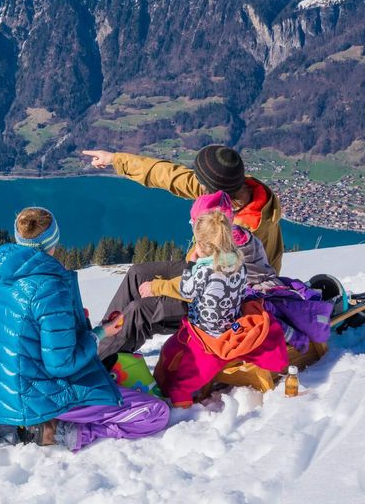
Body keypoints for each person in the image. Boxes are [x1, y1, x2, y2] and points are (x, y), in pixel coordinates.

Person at [0, 207, 169, 450]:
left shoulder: (3, 279)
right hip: (40, 398)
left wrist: (71, 323)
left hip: (5, 396)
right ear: (54, 239)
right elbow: (60, 364)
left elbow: (27, 334)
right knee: (155, 412)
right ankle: (67, 432)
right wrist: (98, 334)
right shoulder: (49, 286)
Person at [82, 145, 284, 358]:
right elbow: (169, 175)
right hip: (203, 269)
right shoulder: (227, 190)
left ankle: (96, 363)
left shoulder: (244, 231)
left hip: (227, 300)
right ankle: (99, 340)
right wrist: (115, 159)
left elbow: (207, 283)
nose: (196, 183)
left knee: (140, 311)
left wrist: (159, 287)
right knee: (137, 274)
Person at [153, 197, 288, 407]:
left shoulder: (204, 270)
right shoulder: (239, 264)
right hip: (231, 326)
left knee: (177, 365)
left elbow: (186, 290)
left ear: (201, 245)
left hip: (206, 335)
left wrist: (190, 264)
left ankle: (179, 406)